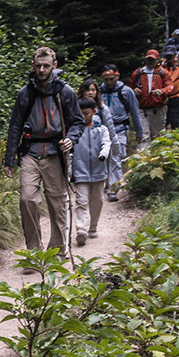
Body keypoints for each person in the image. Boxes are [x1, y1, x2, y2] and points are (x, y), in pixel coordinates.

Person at [3, 46, 84, 259]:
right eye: (38, 65)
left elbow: (77, 121)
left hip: (56, 152)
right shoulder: (25, 93)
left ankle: (57, 250)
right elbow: (15, 126)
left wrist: (71, 139)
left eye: (46, 66)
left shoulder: (64, 91)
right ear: (32, 65)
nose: (41, 70)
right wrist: (9, 158)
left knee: (57, 202)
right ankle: (34, 252)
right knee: (27, 199)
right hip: (30, 151)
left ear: (54, 66)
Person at [99, 64, 144, 200]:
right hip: (102, 130)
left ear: (117, 76)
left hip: (120, 128)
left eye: (111, 79)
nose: (108, 82)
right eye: (106, 79)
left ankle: (113, 188)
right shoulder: (98, 92)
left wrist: (139, 132)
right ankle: (108, 183)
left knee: (117, 157)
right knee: (105, 157)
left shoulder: (126, 91)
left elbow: (135, 112)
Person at [71, 97, 112, 246]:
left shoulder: (102, 129)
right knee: (81, 201)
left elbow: (107, 143)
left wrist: (103, 154)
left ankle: (93, 227)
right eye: (80, 113)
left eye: (86, 113)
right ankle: (81, 230)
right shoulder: (74, 131)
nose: (83, 117)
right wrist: (70, 169)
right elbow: (69, 151)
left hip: (98, 171)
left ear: (94, 112)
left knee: (97, 201)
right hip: (80, 171)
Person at [78, 78, 120, 201]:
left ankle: (110, 188)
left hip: (100, 143)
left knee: (107, 163)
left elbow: (110, 128)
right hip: (82, 144)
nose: (90, 93)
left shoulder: (102, 109)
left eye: (93, 90)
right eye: (87, 90)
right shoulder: (76, 107)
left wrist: (115, 144)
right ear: (82, 92)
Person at [129, 49, 173, 144]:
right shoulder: (138, 73)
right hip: (142, 109)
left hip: (158, 108)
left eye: (152, 59)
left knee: (158, 136)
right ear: (145, 59)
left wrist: (161, 91)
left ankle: (157, 157)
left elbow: (170, 86)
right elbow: (129, 89)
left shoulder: (163, 73)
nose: (150, 61)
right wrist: (134, 91)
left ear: (157, 60)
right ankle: (142, 156)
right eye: (149, 59)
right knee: (143, 135)